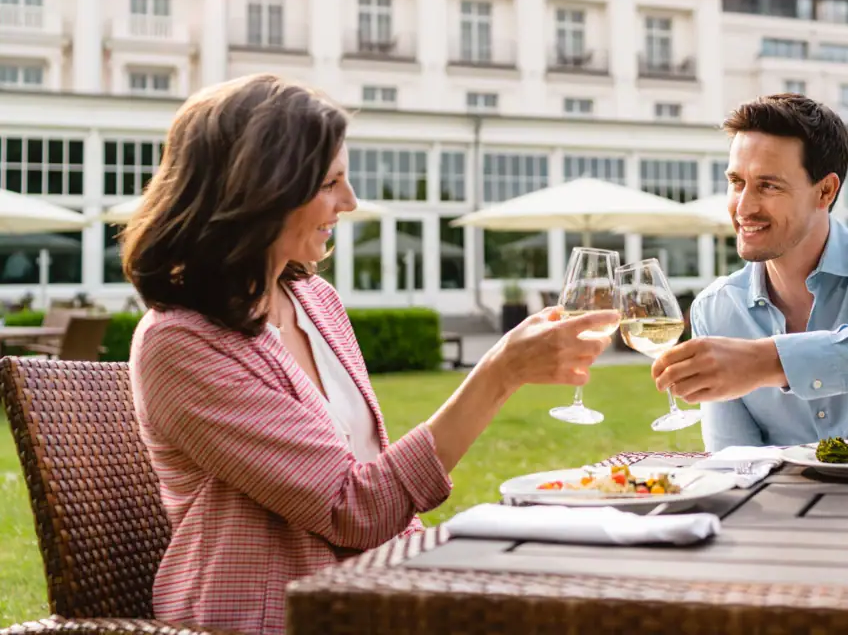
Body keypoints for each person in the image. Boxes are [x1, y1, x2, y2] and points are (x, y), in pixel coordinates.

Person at [124, 74, 618, 635]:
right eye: (330, 182)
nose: (350, 201)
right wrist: (499, 374)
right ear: (261, 190)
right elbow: (352, 508)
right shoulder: (181, 342)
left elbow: (369, 486)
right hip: (276, 614)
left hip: (374, 589)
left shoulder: (314, 299)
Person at [650, 93, 848, 451]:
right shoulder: (716, 309)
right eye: (736, 182)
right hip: (789, 506)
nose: (743, 207)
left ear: (825, 191)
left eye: (768, 185)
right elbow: (735, 465)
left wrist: (769, 361)